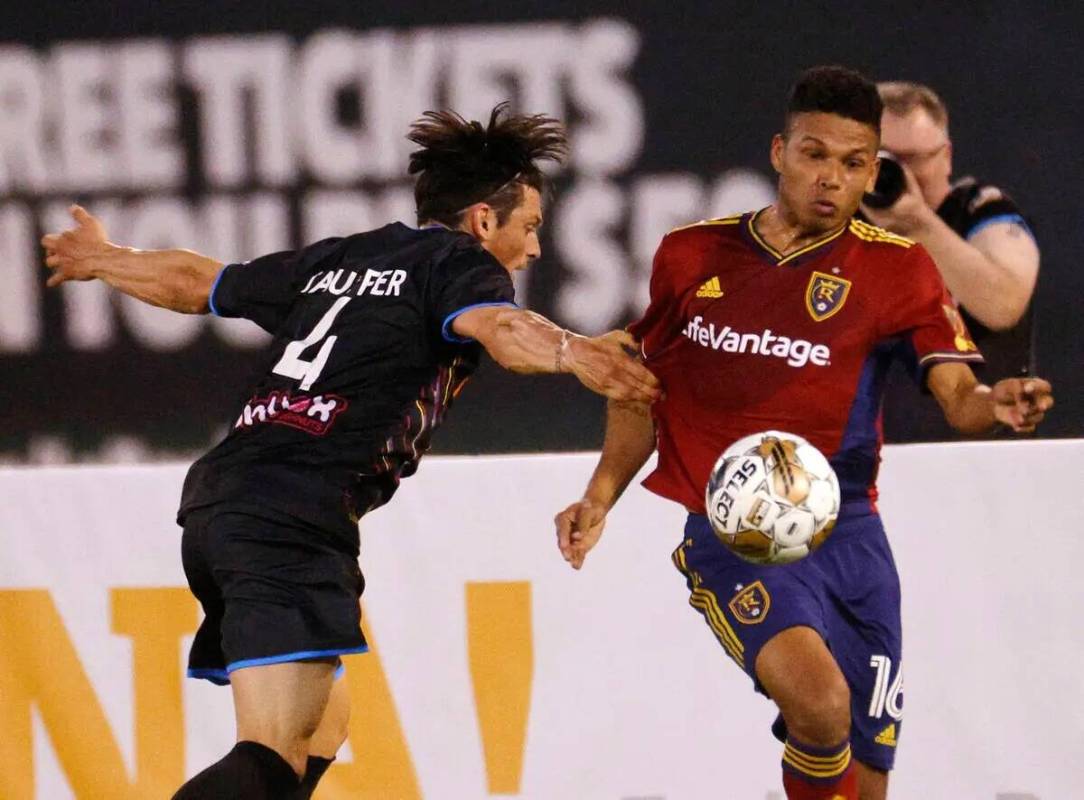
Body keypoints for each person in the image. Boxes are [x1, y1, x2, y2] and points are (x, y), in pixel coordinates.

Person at [42, 103, 660, 799]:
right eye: (531, 227)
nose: (536, 248)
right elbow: (503, 329)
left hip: (224, 499)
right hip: (291, 508)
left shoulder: (346, 257)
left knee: (320, 730)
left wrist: (105, 259)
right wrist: (573, 350)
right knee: (271, 753)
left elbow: (198, 283)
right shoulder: (460, 265)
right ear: (484, 221)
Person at [554, 67, 1053, 800]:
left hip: (849, 533)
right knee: (820, 707)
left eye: (855, 164)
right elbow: (637, 384)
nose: (832, 179)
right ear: (780, 151)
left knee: (868, 779)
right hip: (736, 533)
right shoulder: (691, 255)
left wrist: (996, 403)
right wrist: (600, 495)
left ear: (871, 172)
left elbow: (956, 395)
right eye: (816, 155)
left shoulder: (900, 269)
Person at [861, 81, 1041, 441]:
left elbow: (1005, 303)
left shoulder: (981, 211)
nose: (898, 176)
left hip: (978, 461)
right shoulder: (834, 228)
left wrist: (918, 224)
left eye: (912, 160)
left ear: (946, 156)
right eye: (880, 160)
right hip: (864, 464)